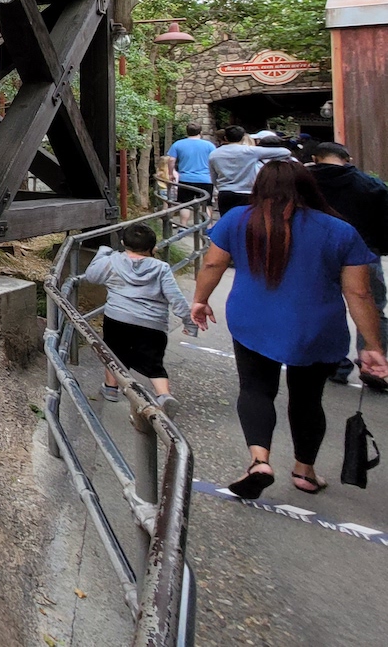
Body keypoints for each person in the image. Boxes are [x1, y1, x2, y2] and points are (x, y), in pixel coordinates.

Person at [191, 160, 388, 498]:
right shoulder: (340, 230)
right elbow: (359, 292)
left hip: (252, 321)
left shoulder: (237, 219)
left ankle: (259, 462)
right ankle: (304, 471)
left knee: (255, 389)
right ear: (309, 186)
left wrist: (200, 299)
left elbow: (213, 262)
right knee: (308, 399)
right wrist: (372, 344)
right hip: (317, 328)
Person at [80, 222, 197, 409]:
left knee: (114, 354)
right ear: (153, 248)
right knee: (153, 362)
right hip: (153, 324)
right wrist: (189, 322)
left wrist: (102, 252)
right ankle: (164, 396)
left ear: (122, 242)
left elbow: (92, 276)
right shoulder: (161, 268)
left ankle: (111, 388)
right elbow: (176, 297)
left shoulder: (112, 261)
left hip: (117, 318)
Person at [308, 142, 388, 391]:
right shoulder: (371, 185)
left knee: (323, 307)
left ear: (315, 158)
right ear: (348, 158)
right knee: (372, 308)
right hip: (365, 255)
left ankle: (336, 364)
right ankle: (374, 365)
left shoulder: (305, 184)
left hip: (317, 255)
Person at [209, 125, 293, 215]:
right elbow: (285, 152)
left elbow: (213, 176)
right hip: (247, 192)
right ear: (243, 137)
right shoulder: (250, 151)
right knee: (246, 221)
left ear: (225, 137)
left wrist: (219, 187)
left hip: (225, 192)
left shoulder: (214, 153)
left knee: (226, 221)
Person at [161, 123, 217, 222]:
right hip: (205, 179)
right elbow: (215, 160)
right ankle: (207, 226)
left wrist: (170, 174)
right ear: (200, 132)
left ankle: (183, 226)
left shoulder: (178, 144)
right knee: (206, 204)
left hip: (186, 179)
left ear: (187, 132)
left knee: (185, 203)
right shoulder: (209, 145)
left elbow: (171, 160)